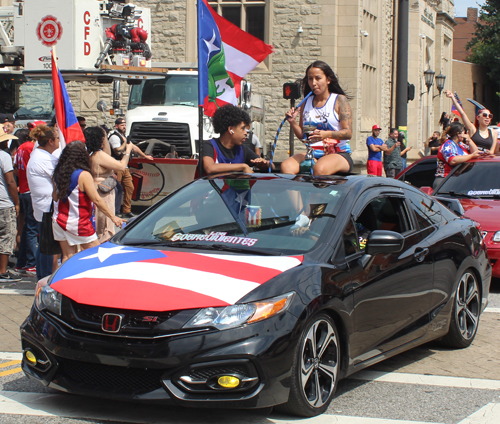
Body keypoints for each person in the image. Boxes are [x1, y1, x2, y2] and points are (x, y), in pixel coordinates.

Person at [52, 141, 123, 263]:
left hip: (58, 220)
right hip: (78, 222)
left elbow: (54, 197)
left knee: (67, 257)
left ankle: (67, 281)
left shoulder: (58, 173)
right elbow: (96, 199)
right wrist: (113, 216)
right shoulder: (83, 175)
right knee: (98, 256)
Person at [282, 60, 353, 175]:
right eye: (310, 79)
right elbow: (304, 137)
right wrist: (293, 122)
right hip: (313, 153)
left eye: (318, 78)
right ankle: (299, 193)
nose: (313, 83)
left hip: (339, 154)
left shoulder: (339, 100)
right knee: (286, 167)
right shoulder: (306, 103)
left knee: (319, 169)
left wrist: (326, 134)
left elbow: (348, 133)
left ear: (328, 80)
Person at [85, 126, 132, 243]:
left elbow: (108, 153)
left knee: (101, 221)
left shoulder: (90, 153)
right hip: (103, 191)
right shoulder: (98, 155)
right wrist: (128, 151)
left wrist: (104, 137)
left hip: (97, 186)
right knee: (105, 224)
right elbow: (121, 167)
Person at [26, 124, 61, 280]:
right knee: (47, 248)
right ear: (51, 141)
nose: (60, 141)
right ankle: (44, 278)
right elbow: (59, 179)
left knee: (44, 246)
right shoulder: (43, 158)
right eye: (58, 138)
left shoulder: (41, 155)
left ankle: (43, 277)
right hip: (47, 206)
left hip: (44, 205)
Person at [201, 105, 272, 175]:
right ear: (230, 130)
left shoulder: (243, 149)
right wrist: (243, 167)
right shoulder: (209, 146)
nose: (246, 132)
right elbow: (209, 168)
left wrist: (265, 164)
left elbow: (272, 166)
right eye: (243, 128)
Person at [108, 118, 153, 218]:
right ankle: (115, 210)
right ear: (116, 126)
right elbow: (117, 151)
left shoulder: (124, 137)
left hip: (125, 166)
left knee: (130, 187)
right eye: (121, 125)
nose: (124, 126)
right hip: (117, 165)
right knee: (116, 189)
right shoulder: (114, 137)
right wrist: (125, 143)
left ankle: (126, 210)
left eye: (124, 125)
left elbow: (134, 147)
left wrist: (145, 156)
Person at [13, 129, 37, 275]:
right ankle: (31, 263)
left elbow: (16, 168)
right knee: (32, 229)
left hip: (23, 190)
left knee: (27, 228)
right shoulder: (31, 147)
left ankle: (22, 263)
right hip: (30, 191)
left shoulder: (22, 147)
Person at [445, 90, 498, 154]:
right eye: (485, 115)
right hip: (474, 161)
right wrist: (452, 97)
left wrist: (487, 152)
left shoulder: (494, 132)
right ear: (478, 117)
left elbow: (492, 152)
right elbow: (462, 113)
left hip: (486, 162)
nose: (487, 117)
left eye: (490, 116)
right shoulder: (473, 130)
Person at [433, 122, 482, 189]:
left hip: (456, 179)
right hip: (444, 179)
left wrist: (469, 140)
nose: (464, 134)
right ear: (458, 134)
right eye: (463, 132)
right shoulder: (448, 144)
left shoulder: (461, 144)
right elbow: (452, 160)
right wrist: (471, 156)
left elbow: (475, 151)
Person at [0, 127, 20, 282]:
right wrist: (16, 201)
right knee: (7, 236)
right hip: (3, 202)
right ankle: (2, 271)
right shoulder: (4, 156)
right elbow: (10, 181)